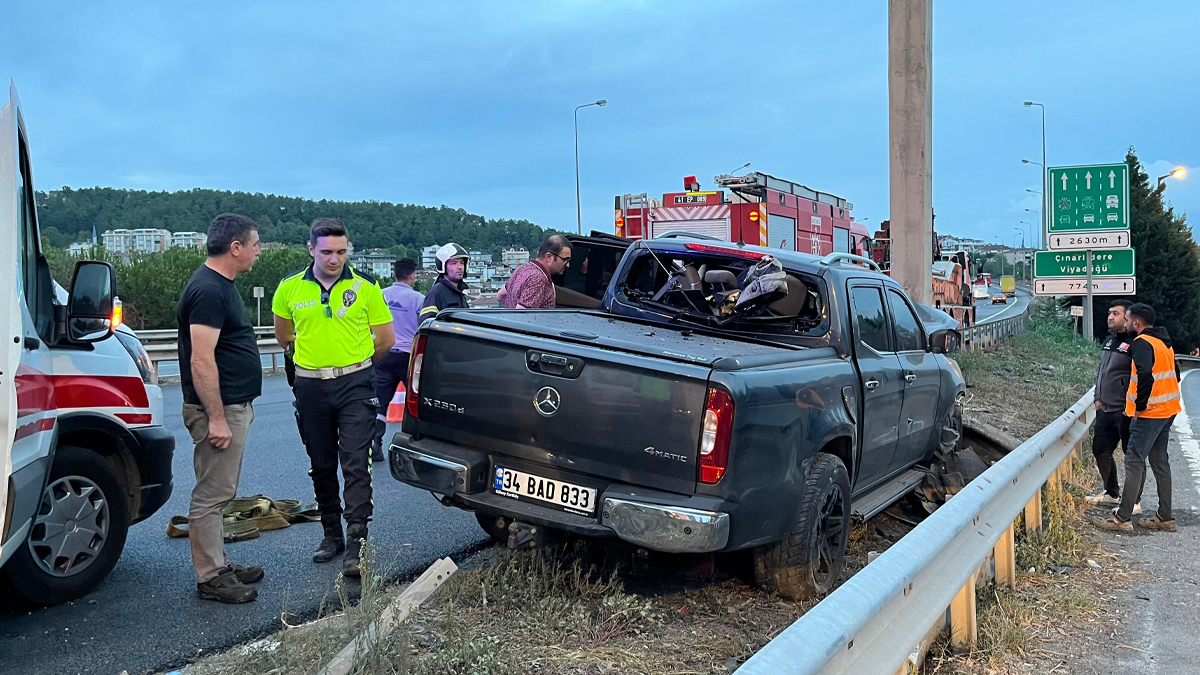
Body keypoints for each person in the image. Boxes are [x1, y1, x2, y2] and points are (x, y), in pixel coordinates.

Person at [273, 219, 395, 576]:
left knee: (356, 463)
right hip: (311, 386)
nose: (334, 259)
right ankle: (331, 535)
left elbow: (385, 338)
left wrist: (359, 366)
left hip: (355, 383)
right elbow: (285, 336)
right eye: (326, 252)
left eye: (341, 252)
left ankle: (357, 541)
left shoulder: (366, 286)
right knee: (321, 462)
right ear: (311, 249)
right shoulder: (289, 288)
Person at [176, 213, 264, 604]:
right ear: (236, 248)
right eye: (256, 245)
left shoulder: (220, 285)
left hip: (230, 405)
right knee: (212, 493)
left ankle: (219, 562)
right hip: (219, 409)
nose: (259, 252)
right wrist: (215, 417)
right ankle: (210, 576)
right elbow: (201, 360)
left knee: (219, 490)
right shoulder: (210, 291)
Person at [1091, 303, 1180, 534]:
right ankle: (1165, 516)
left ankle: (1123, 518)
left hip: (1150, 412)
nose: (1127, 323)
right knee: (1160, 461)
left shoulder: (1141, 342)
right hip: (1168, 410)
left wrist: (1139, 406)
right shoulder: (1163, 343)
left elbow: (1144, 375)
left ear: (1136, 323)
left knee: (1134, 460)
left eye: (1128, 320)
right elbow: (1175, 374)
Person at [372, 258, 424, 462]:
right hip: (408, 356)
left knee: (379, 403)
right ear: (412, 275)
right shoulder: (418, 299)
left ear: (394, 274)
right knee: (415, 403)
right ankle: (415, 449)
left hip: (384, 353)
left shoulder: (381, 295)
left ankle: (375, 445)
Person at [1084, 300, 1135, 507]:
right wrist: (1097, 397)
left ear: (1127, 318)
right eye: (1109, 313)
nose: (1110, 317)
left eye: (1116, 313)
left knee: (1131, 457)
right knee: (1100, 451)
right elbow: (1101, 372)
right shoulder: (1108, 341)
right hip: (1104, 408)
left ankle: (1134, 500)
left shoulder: (1135, 344)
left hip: (1125, 410)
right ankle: (1112, 492)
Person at [499, 235, 571, 309]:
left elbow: (500, 295)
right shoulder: (538, 279)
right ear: (549, 257)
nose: (568, 265)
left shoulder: (522, 268)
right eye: (565, 259)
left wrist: (510, 308)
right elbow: (523, 315)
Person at [419, 243, 471, 320]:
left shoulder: (460, 294)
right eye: (454, 263)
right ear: (443, 266)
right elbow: (427, 324)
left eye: (462, 263)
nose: (460, 267)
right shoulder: (436, 293)